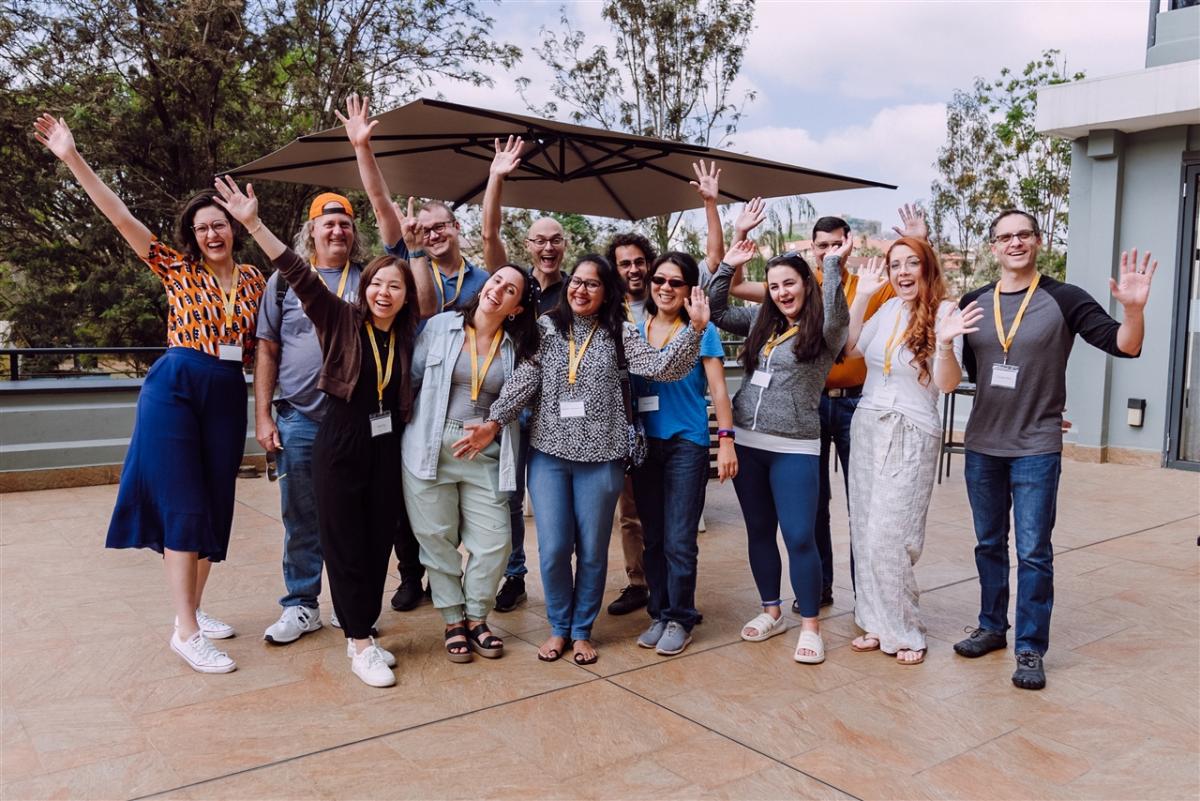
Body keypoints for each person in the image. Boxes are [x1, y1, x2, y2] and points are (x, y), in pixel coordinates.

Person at [34, 114, 266, 673]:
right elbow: (120, 216)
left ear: (234, 227)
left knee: (213, 502)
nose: (214, 234)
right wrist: (72, 157)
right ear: (194, 235)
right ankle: (185, 631)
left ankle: (195, 609)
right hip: (177, 385)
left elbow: (270, 346)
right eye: (204, 227)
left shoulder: (259, 280)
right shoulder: (176, 268)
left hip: (228, 392)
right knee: (184, 501)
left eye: (221, 225)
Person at [215, 176, 425, 688]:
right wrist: (253, 224)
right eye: (377, 284)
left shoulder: (406, 331)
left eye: (393, 286)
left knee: (379, 537)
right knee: (337, 533)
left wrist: (413, 250)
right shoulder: (338, 317)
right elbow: (295, 271)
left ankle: (362, 625)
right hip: (335, 436)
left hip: (385, 442)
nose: (383, 292)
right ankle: (355, 641)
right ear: (362, 290)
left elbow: (414, 277)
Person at [458, 255, 707, 665]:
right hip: (549, 455)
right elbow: (525, 381)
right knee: (555, 548)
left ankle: (581, 631)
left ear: (607, 291)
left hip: (603, 457)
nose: (581, 289)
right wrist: (494, 422)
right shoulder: (546, 328)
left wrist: (694, 329)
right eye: (577, 281)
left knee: (591, 551)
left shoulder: (620, 333)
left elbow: (661, 368)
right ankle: (558, 627)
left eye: (593, 284)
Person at [952, 209, 1155, 690]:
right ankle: (991, 627)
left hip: (1036, 447)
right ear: (993, 248)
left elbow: (1124, 346)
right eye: (1005, 237)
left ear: (1038, 241)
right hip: (982, 445)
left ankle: (1029, 648)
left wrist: (1134, 311)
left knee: (1034, 552)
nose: (1015, 243)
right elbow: (974, 375)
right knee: (987, 544)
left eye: (1024, 234)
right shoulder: (973, 302)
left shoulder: (1065, 299)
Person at [726, 208, 927, 609]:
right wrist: (738, 238)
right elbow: (739, 290)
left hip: (856, 403)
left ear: (848, 245)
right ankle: (817, 589)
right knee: (812, 507)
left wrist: (920, 242)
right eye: (823, 245)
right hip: (809, 406)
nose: (830, 250)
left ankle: (867, 595)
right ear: (813, 250)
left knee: (863, 502)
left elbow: (916, 288)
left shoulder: (871, 284)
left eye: (837, 244)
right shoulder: (797, 286)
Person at [710, 237, 851, 664]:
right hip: (748, 445)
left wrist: (830, 265)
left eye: (789, 283)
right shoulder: (759, 323)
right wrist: (726, 266)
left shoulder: (825, 329)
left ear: (806, 284)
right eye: (774, 286)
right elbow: (714, 312)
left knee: (798, 536)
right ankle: (771, 611)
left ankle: (810, 625)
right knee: (758, 532)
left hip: (795, 447)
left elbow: (839, 315)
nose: (782, 293)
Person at [841, 239, 982, 664]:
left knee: (892, 533)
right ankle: (874, 622)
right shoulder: (886, 310)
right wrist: (863, 296)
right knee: (864, 529)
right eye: (895, 264)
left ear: (928, 268)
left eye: (911, 263)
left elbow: (947, 383)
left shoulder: (946, 313)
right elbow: (848, 348)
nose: (902, 272)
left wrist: (943, 345)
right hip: (867, 422)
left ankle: (905, 630)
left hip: (911, 429)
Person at [402, 264, 540, 662]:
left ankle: (478, 615)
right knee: (437, 539)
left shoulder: (519, 346)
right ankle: (453, 619)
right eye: (496, 280)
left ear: (516, 308)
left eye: (510, 289)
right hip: (430, 443)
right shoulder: (441, 326)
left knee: (496, 541)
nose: (498, 290)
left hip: (486, 450)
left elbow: (522, 399)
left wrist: (493, 428)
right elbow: (410, 381)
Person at [338, 93, 444, 613]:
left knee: (422, 498)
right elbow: (380, 203)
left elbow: (428, 306)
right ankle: (408, 576)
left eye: (437, 226)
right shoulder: (398, 261)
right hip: (389, 403)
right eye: (422, 226)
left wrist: (423, 251)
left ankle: (435, 575)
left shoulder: (463, 273)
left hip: (436, 404)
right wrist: (363, 147)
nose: (428, 231)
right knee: (394, 503)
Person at [255, 192, 366, 645]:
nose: (337, 231)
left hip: (354, 420)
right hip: (299, 417)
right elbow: (267, 347)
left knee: (351, 515)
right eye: (329, 224)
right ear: (312, 231)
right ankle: (301, 605)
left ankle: (348, 603)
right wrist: (263, 414)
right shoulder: (283, 282)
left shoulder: (369, 279)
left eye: (345, 224)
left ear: (354, 233)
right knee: (300, 514)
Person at [630, 252, 737, 656]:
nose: (665, 287)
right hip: (645, 444)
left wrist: (724, 439)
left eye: (675, 282)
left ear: (689, 289)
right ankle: (659, 612)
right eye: (660, 279)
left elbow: (719, 390)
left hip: (686, 443)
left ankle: (681, 617)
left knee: (679, 537)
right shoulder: (635, 331)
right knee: (653, 536)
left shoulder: (700, 328)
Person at [481, 135, 571, 613]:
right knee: (509, 497)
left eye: (556, 239)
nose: (548, 246)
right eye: (539, 239)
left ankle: (567, 577)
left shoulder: (579, 290)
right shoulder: (515, 283)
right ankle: (514, 574)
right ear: (529, 245)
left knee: (563, 505)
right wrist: (497, 177)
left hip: (562, 412)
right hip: (516, 407)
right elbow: (489, 234)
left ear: (565, 245)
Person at [603, 232, 658, 616]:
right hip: (623, 421)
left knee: (668, 509)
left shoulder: (667, 302)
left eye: (639, 261)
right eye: (625, 263)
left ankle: (671, 586)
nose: (633, 269)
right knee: (631, 510)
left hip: (664, 418)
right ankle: (638, 582)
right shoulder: (608, 310)